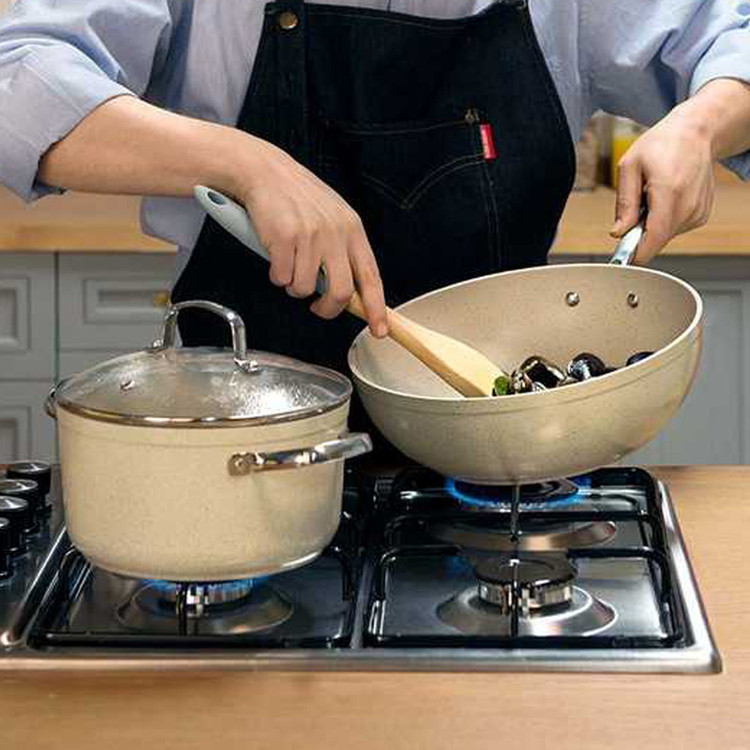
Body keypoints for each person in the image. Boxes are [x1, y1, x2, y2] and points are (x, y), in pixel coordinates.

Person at [1, 1, 749, 419]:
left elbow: (732, 40)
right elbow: (20, 77)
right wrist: (247, 163)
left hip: (504, 435)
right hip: (238, 429)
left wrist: (700, 125)